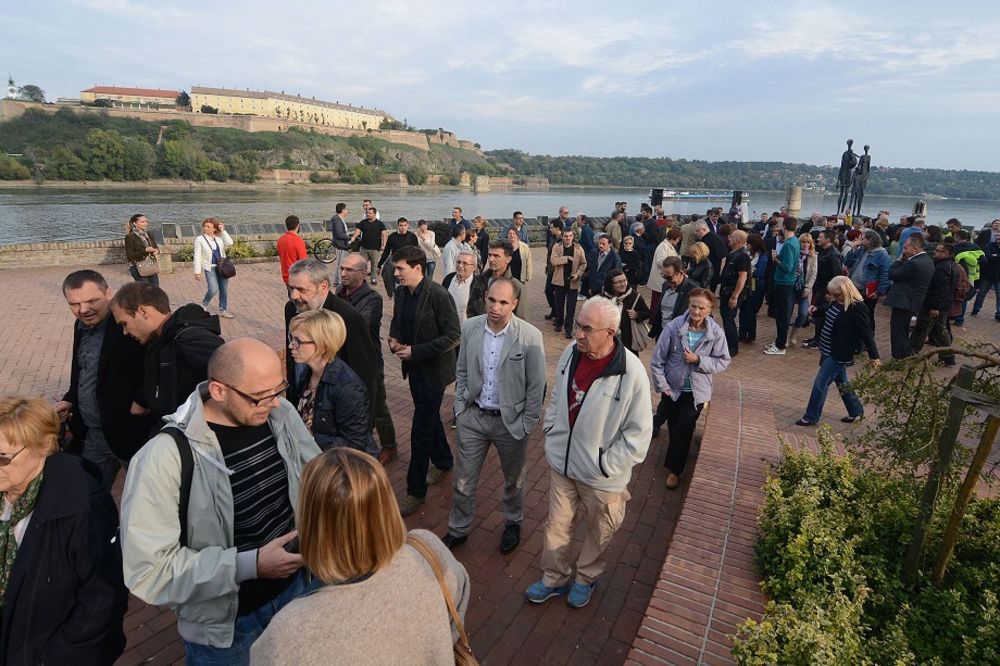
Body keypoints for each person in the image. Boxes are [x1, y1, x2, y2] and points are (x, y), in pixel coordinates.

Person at [120, 339, 322, 665]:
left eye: (280, 389)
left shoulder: (279, 413)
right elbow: (150, 570)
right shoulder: (163, 458)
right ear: (218, 391)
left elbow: (315, 473)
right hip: (229, 631)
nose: (275, 402)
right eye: (261, 396)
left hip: (298, 593)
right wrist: (251, 565)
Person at [250, 448, 470, 665]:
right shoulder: (427, 549)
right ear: (387, 505)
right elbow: (455, 612)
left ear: (312, 522)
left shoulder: (286, 636)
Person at [525, 297, 652, 609]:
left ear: (610, 332)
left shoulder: (631, 371)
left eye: (586, 328)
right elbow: (559, 392)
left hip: (602, 477)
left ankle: (585, 578)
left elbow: (639, 434)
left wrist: (606, 465)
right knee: (557, 526)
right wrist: (552, 426)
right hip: (563, 465)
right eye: (578, 325)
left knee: (599, 532)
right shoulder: (572, 352)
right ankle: (554, 578)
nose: (578, 334)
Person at [0, 396, 128, 665]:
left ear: (43, 446)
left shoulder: (84, 506)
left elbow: (103, 598)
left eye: (3, 458)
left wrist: (57, 656)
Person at [443, 279, 546, 553]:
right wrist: (460, 407)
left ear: (514, 304)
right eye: (491, 300)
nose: (495, 307)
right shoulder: (470, 327)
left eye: (503, 302)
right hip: (473, 417)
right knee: (463, 480)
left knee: (514, 480)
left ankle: (513, 522)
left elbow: (537, 386)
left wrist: (526, 423)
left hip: (510, 423)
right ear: (485, 297)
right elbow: (462, 369)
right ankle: (458, 528)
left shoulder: (530, 336)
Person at [55, 270, 152, 492]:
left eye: (91, 301)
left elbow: (155, 362)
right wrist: (71, 398)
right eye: (74, 304)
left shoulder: (126, 323)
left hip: (130, 433)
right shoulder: (80, 325)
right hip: (93, 435)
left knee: (144, 497)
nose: (83, 310)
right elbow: (81, 368)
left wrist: (142, 399)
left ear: (109, 293)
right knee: (89, 496)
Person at [387, 246, 462, 517]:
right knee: (428, 417)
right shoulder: (401, 293)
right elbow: (397, 322)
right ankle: (443, 460)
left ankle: (415, 491)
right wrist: (394, 339)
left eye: (400, 269)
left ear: (418, 268)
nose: (396, 274)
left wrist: (416, 351)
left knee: (420, 429)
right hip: (414, 369)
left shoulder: (438, 295)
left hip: (434, 372)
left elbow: (453, 335)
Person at [650, 288, 731, 489]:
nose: (696, 311)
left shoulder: (716, 333)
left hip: (697, 392)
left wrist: (699, 360)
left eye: (702, 308)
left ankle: (675, 470)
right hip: (673, 389)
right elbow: (657, 360)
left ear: (710, 309)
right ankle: (675, 456)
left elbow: (722, 361)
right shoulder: (674, 327)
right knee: (674, 426)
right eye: (693, 306)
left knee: (683, 429)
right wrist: (662, 386)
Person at [110, 282, 224, 423]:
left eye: (124, 324)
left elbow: (235, 373)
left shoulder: (188, 339)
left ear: (143, 312)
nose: (125, 332)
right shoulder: (160, 341)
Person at [284, 259, 378, 426]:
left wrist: (363, 425)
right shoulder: (292, 309)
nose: (294, 296)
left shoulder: (348, 318)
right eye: (290, 288)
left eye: (301, 290)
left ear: (323, 286)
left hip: (334, 416)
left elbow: (364, 376)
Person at [336, 253, 398, 463]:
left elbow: (358, 326)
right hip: (344, 358)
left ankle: (389, 445)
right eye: (342, 268)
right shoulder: (339, 292)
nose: (343, 273)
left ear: (363, 273)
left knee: (377, 406)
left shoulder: (373, 299)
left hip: (368, 361)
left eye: (349, 270)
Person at [288, 309, 377, 455]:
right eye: (291, 338)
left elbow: (355, 444)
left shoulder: (347, 388)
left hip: (339, 465)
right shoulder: (307, 373)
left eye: (298, 341)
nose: (291, 345)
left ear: (323, 345)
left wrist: (308, 438)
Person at [795, 277, 880, 426]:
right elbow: (828, 312)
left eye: (836, 294)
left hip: (839, 353)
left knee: (820, 384)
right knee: (842, 382)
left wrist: (874, 356)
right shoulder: (837, 302)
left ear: (845, 291)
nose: (833, 296)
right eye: (832, 294)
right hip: (827, 349)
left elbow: (867, 333)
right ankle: (856, 411)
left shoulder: (858, 307)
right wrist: (817, 310)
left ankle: (811, 417)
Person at [885, 234, 935, 359]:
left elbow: (892, 274)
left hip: (904, 301)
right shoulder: (928, 260)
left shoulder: (913, 263)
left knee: (898, 330)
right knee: (903, 329)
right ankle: (904, 354)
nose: (903, 251)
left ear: (915, 249)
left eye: (906, 248)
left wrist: (898, 260)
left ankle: (899, 356)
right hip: (912, 300)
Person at [910, 242, 960, 366]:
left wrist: (934, 307)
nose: (935, 252)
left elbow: (941, 289)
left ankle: (911, 352)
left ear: (947, 253)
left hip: (935, 304)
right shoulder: (951, 265)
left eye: (938, 251)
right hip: (943, 304)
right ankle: (948, 357)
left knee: (922, 328)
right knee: (939, 329)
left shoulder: (942, 267)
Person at [763, 217, 801, 355]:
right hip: (786, 281)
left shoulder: (789, 244)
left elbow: (788, 267)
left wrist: (776, 260)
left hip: (784, 282)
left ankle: (780, 345)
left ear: (784, 227)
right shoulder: (795, 241)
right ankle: (780, 341)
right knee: (782, 313)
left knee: (782, 314)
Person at [844, 229, 892, 336]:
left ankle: (868, 338)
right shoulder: (862, 250)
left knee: (867, 315)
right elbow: (847, 262)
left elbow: (886, 275)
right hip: (854, 287)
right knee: (852, 313)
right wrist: (854, 249)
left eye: (862, 238)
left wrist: (879, 292)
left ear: (870, 240)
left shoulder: (882, 254)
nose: (860, 240)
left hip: (868, 290)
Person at [803, 229, 845, 349]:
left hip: (825, 289)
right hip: (820, 287)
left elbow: (836, 274)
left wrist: (831, 292)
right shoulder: (824, 251)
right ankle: (817, 337)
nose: (818, 239)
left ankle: (819, 340)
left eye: (821, 237)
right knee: (817, 313)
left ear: (827, 239)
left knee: (820, 314)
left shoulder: (833, 254)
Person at [467, 239, 527, 319]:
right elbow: (470, 310)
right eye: (490, 255)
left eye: (496, 256)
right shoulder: (479, 281)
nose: (491, 259)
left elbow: (521, 320)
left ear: (508, 259)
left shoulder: (517, 287)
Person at [549, 228, 588, 340]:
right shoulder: (557, 247)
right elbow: (553, 260)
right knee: (559, 304)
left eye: (570, 236)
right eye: (566, 236)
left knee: (571, 307)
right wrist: (566, 258)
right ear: (562, 237)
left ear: (573, 237)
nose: (568, 238)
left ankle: (568, 328)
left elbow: (583, 264)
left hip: (573, 281)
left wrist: (578, 274)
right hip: (559, 281)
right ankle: (559, 322)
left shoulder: (578, 248)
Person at [193, 217, 236, 319]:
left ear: (214, 228)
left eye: (208, 227)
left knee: (223, 290)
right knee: (213, 289)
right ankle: (204, 305)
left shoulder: (219, 238)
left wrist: (223, 230)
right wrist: (197, 271)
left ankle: (223, 310)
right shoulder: (200, 239)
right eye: (205, 226)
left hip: (222, 267)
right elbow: (197, 255)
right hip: (210, 268)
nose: (205, 228)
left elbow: (230, 243)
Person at [648, 256, 698, 341]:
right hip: (663, 333)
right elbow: (660, 311)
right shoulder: (666, 285)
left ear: (680, 274)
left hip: (679, 336)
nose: (666, 279)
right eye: (663, 275)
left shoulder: (693, 290)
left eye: (668, 277)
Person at [603, 269, 650, 355]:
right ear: (610, 284)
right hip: (606, 342)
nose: (623, 284)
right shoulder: (602, 298)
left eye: (625, 280)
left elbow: (647, 313)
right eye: (619, 282)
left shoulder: (634, 297)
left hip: (627, 344)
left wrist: (637, 315)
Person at [718, 229, 750, 357]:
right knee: (726, 318)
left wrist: (735, 296)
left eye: (731, 237)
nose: (729, 239)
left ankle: (732, 347)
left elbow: (742, 277)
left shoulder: (742, 256)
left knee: (729, 319)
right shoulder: (733, 254)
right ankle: (729, 343)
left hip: (732, 292)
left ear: (737, 240)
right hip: (726, 290)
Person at [377, 217, 419, 298]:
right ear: (398, 226)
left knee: (406, 283)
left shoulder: (412, 236)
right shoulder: (392, 236)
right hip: (394, 261)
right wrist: (379, 265)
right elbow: (386, 251)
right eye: (401, 225)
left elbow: (416, 251)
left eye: (405, 225)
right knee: (388, 276)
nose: (403, 227)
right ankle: (393, 295)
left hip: (407, 262)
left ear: (408, 226)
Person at [739, 233, 769, 345]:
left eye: (749, 243)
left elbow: (759, 272)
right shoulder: (746, 254)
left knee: (750, 311)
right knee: (742, 310)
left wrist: (748, 272)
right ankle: (742, 333)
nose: (747, 245)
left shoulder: (762, 256)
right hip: (745, 284)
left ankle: (750, 335)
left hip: (755, 285)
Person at [645, 228, 683, 314]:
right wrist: (673, 267)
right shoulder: (663, 246)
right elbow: (660, 261)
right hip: (660, 278)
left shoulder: (667, 246)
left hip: (664, 278)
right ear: (673, 238)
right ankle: (653, 318)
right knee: (656, 301)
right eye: (678, 239)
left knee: (659, 301)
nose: (678, 241)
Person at [789, 232, 818, 346]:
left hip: (805, 287)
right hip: (792, 286)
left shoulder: (813, 256)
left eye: (808, 242)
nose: (805, 244)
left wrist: (808, 288)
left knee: (803, 314)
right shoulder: (794, 253)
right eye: (803, 242)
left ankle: (794, 333)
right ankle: (784, 336)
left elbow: (813, 274)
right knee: (788, 312)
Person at [351, 205, 387, 285]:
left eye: (370, 213)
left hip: (375, 248)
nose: (368, 214)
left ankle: (373, 278)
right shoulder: (363, 222)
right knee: (362, 264)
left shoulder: (380, 224)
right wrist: (354, 237)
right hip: (364, 248)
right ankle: (361, 278)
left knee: (374, 265)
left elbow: (384, 234)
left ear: (374, 214)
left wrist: (383, 244)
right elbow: (358, 230)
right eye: (367, 213)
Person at [971, 219, 1000, 320]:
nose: (998, 238)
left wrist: (995, 256)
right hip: (988, 273)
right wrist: (995, 256)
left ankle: (999, 314)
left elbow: (993, 257)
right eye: (997, 237)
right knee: (981, 293)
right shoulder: (990, 245)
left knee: (999, 295)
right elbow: (989, 257)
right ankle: (976, 310)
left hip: (998, 275)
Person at [124, 213, 161, 287]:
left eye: (146, 221)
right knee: (144, 290)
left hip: (151, 265)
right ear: (135, 223)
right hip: (138, 267)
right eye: (142, 222)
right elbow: (129, 255)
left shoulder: (149, 234)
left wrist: (157, 251)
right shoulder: (130, 237)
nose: (146, 224)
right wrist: (145, 251)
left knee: (155, 289)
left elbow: (155, 247)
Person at [443, 250, 477, 325]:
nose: (460, 265)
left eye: (465, 263)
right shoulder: (448, 279)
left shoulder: (478, 286)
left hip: (465, 329)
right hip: (446, 327)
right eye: (458, 262)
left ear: (473, 267)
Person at [277, 215, 308, 287]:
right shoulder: (298, 241)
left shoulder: (281, 240)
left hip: (286, 276)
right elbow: (304, 262)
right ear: (298, 226)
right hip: (297, 277)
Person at [544, 218, 565, 320]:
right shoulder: (552, 238)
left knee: (557, 293)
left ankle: (558, 313)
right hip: (551, 269)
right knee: (548, 291)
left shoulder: (563, 240)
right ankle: (554, 309)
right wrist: (547, 266)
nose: (550, 229)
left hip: (558, 270)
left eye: (551, 227)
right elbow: (549, 254)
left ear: (557, 228)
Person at [329, 203, 352, 289]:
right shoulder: (337, 220)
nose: (347, 211)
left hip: (340, 244)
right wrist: (349, 237)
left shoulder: (339, 219)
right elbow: (339, 234)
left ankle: (336, 281)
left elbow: (344, 228)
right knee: (341, 264)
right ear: (343, 210)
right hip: (340, 245)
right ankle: (339, 282)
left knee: (340, 263)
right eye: (346, 209)